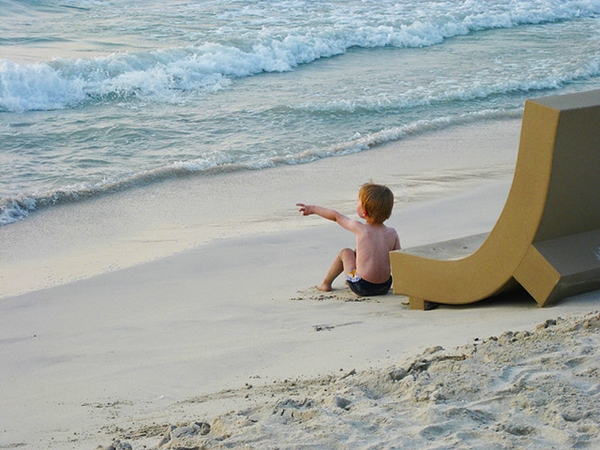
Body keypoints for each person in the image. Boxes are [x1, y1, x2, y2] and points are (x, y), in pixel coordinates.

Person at [297, 182, 401, 296]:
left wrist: (313, 209)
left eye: (358, 202)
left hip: (361, 285)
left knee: (346, 252)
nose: (356, 204)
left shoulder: (360, 229)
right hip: (384, 286)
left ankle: (326, 283)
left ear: (364, 211)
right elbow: (398, 260)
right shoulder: (392, 233)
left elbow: (336, 217)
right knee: (358, 252)